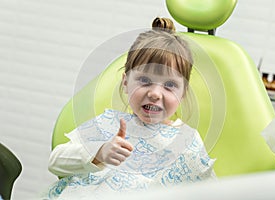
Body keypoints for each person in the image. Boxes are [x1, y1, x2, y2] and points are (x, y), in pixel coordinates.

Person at [44, 17, 216, 199]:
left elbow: (213, 191)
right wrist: (100, 153)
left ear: (183, 93)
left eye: (169, 85)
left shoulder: (186, 140)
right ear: (126, 82)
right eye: (144, 80)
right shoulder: (109, 124)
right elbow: (55, 161)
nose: (155, 94)